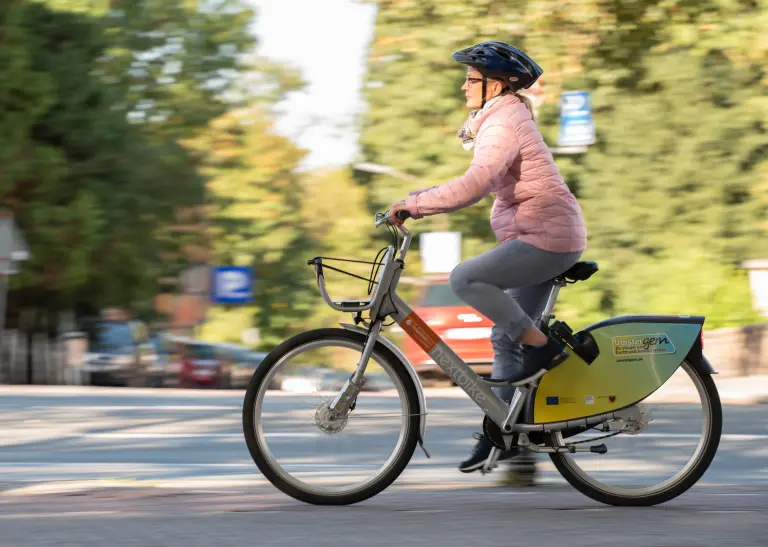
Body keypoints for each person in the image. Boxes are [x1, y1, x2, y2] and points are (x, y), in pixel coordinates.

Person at [388, 41, 587, 473]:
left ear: (495, 86)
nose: (463, 87)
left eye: (471, 79)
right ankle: (508, 435)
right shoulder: (500, 118)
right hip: (544, 235)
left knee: (465, 280)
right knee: (504, 337)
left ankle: (545, 350)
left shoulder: (503, 124)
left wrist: (414, 204)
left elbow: (477, 183)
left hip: (546, 237)